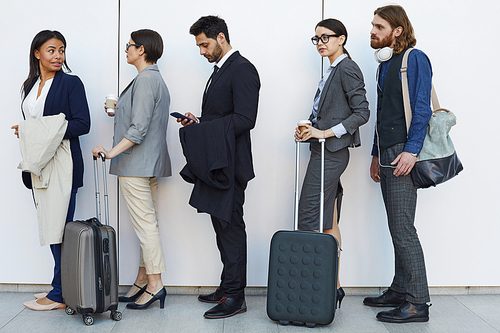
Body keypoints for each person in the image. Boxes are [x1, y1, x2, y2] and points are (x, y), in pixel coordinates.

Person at [176, 15, 260, 319]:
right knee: (221, 227)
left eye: (204, 44)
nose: (201, 50)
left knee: (231, 228)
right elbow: (222, 116)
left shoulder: (243, 69)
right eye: (199, 45)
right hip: (217, 160)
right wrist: (199, 123)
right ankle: (227, 287)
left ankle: (236, 297)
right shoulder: (219, 71)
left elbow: (245, 119)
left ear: (221, 37)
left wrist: (207, 129)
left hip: (231, 163)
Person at [92, 29, 171, 310]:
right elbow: (140, 121)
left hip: (136, 165)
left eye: (129, 46)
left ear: (143, 49)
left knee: (146, 227)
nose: (126, 49)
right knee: (147, 226)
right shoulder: (150, 79)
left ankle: (155, 284)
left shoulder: (147, 79)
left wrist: (110, 152)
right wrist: (116, 112)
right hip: (147, 163)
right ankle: (142, 281)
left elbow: (138, 130)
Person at [12, 30, 91, 311]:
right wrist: (28, 132)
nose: (58, 56)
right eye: (51, 50)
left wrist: (36, 131)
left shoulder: (70, 83)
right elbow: (34, 124)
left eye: (61, 50)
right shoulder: (30, 85)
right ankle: (59, 285)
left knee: (59, 228)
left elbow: (82, 124)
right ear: (37, 54)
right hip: (38, 166)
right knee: (49, 226)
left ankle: (60, 293)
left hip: (63, 165)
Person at [363, 5, 432, 323]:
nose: (373, 31)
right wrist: (376, 154)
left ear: (397, 30)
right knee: (397, 225)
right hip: (388, 151)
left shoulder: (414, 59)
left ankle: (418, 303)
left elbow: (422, 108)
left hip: (404, 151)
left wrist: (412, 150)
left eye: (379, 26)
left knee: (404, 228)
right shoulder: (385, 65)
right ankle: (400, 288)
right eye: (372, 26)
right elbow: (383, 113)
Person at [295, 18, 370, 309]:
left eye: (326, 37)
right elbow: (329, 112)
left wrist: (324, 133)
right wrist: (309, 129)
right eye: (316, 38)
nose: (321, 42)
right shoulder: (332, 69)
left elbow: (361, 112)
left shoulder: (347, 67)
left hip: (332, 152)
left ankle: (316, 284)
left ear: (342, 39)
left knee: (308, 216)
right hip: (323, 150)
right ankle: (333, 285)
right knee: (328, 220)